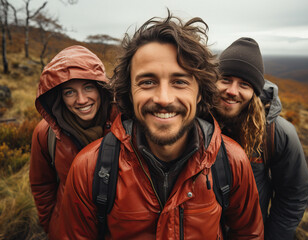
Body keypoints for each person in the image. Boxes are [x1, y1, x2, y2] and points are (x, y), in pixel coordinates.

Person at [55, 13, 264, 239]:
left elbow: (248, 234)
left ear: (200, 93)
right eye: (148, 82)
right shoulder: (88, 168)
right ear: (128, 93)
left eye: (179, 82)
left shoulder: (232, 160)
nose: (164, 98)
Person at [214, 37, 308, 239]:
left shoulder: (277, 133)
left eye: (244, 84)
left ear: (255, 92)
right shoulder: (193, 118)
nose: (232, 91)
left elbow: (293, 195)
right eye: (225, 79)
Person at [29, 45, 116, 237]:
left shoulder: (124, 123)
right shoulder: (46, 134)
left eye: (88, 87)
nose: (82, 100)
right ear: (59, 97)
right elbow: (42, 186)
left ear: (101, 89)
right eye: (70, 92)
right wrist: (53, 226)